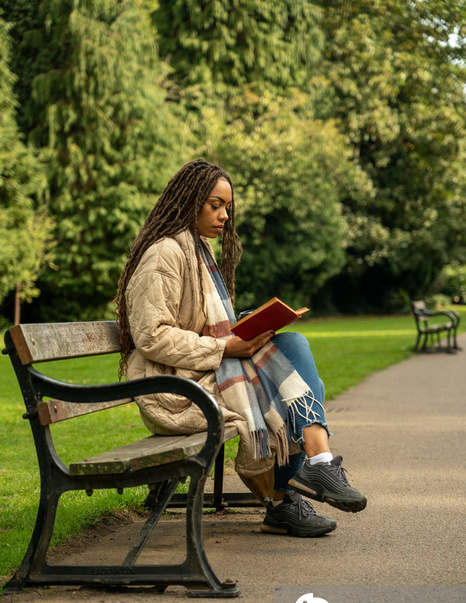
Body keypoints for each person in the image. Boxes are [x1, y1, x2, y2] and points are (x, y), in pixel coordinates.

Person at [115, 159, 367, 537]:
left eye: (227, 207)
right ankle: (290, 492)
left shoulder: (200, 251)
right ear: (188, 202)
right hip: (174, 386)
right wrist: (225, 348)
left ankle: (314, 467)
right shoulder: (164, 254)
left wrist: (247, 331)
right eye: (215, 205)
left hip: (202, 369)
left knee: (291, 347)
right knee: (286, 382)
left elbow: (203, 323)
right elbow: (152, 336)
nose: (225, 216)